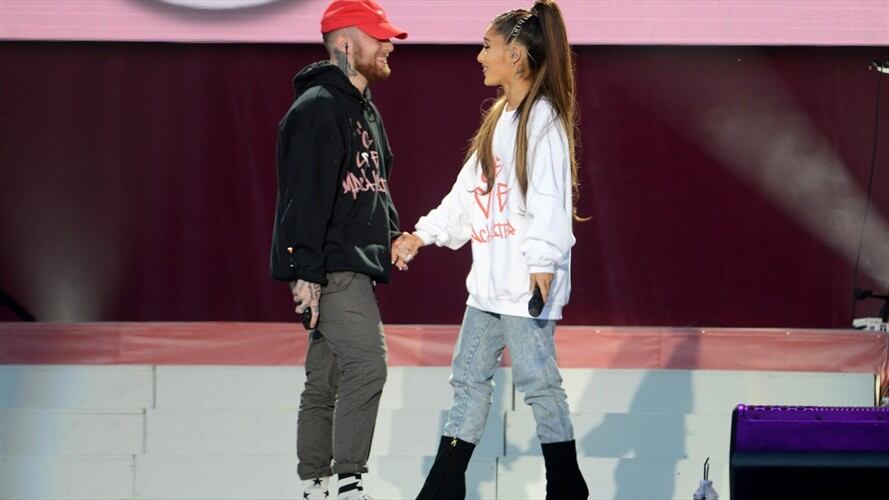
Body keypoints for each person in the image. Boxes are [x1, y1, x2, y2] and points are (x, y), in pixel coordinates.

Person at [391, 1, 589, 499]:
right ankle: (444, 485)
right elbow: (467, 195)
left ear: (517, 57)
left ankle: (566, 486)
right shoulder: (500, 119)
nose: (480, 56)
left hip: (524, 285)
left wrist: (543, 262)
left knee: (539, 384)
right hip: (487, 289)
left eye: (487, 47)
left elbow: (550, 196)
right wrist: (423, 233)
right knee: (468, 381)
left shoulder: (544, 120)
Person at [269, 1, 407, 499]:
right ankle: (349, 481)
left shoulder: (362, 108)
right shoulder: (317, 110)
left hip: (352, 264)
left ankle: (315, 484)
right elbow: (302, 196)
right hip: (332, 267)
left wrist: (392, 235)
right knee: (368, 365)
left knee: (325, 378)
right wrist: (303, 272)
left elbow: (378, 181)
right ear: (347, 45)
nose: (389, 45)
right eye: (379, 37)